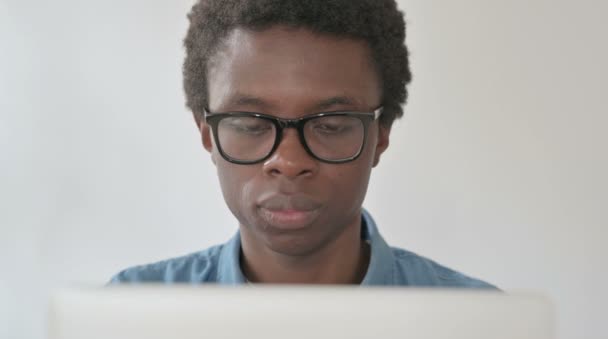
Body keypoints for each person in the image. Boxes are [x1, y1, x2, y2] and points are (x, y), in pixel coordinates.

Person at [110, 0, 495, 288]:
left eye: (330, 124)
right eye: (249, 123)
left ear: (381, 134)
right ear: (207, 134)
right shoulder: (126, 316)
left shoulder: (483, 326)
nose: (289, 161)